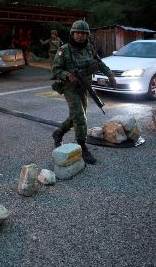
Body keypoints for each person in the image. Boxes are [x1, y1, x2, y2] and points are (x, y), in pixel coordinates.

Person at [50, 20, 117, 165]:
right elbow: (55, 69)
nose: (80, 36)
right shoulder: (64, 50)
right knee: (80, 117)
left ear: (87, 35)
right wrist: (68, 75)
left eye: (83, 33)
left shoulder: (89, 48)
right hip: (70, 87)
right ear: (72, 33)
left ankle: (59, 133)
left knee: (76, 115)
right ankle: (82, 146)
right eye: (77, 33)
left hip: (84, 86)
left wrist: (110, 75)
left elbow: (99, 63)